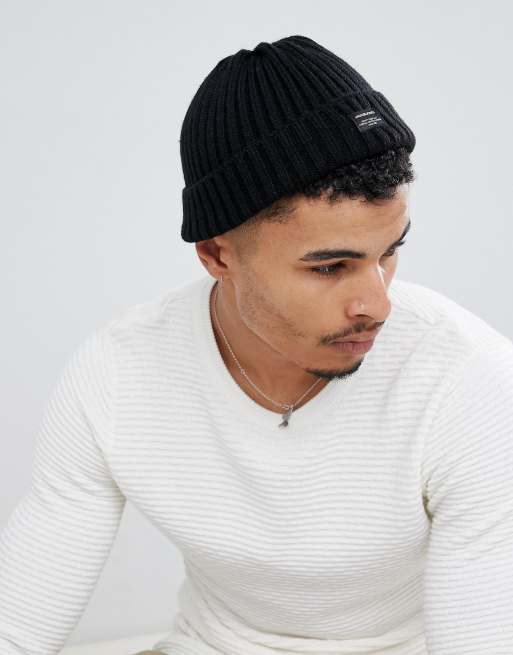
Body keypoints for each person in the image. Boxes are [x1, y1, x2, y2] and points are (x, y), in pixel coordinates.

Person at [1, 34, 512, 655]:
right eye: (329, 267)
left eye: (389, 252)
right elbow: (17, 626)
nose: (377, 305)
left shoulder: (470, 380)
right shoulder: (119, 373)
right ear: (217, 254)